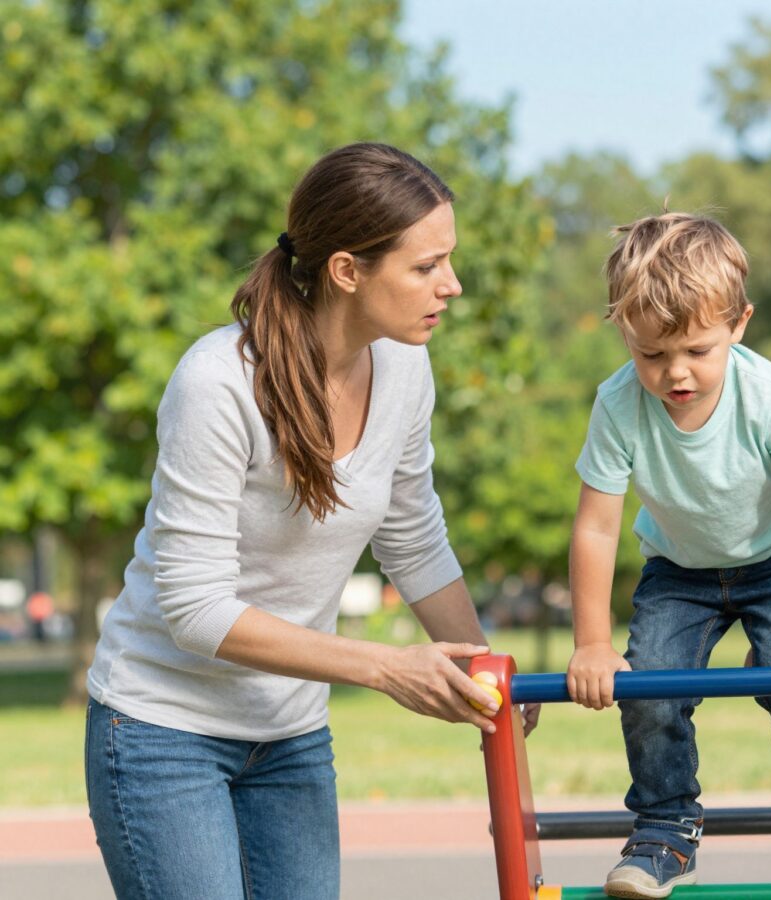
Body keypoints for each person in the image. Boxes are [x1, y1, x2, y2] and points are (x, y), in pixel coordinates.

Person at [85, 142, 536, 900]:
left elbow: (412, 533)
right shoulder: (219, 382)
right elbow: (194, 609)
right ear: (347, 271)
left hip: (289, 735)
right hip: (164, 730)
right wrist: (386, 667)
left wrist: (479, 670)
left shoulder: (404, 367)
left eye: (448, 261)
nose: (451, 286)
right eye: (425, 267)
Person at [567, 212, 771, 899]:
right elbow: (597, 527)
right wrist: (592, 643)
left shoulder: (766, 393)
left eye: (695, 351)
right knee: (648, 679)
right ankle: (663, 827)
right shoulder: (620, 403)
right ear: (625, 334)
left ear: (738, 324)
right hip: (678, 571)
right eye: (652, 355)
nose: (674, 373)